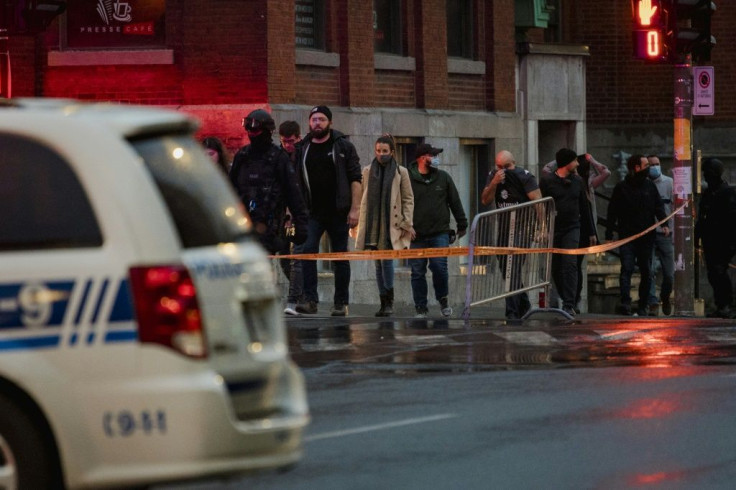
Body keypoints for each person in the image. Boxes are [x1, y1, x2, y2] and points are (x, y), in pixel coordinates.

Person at [295, 106, 362, 317]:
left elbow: (355, 179)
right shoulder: (302, 147)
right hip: (312, 212)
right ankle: (310, 300)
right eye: (314, 119)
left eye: (322, 119)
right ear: (309, 123)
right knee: (308, 252)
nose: (317, 123)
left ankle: (340, 303)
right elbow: (295, 181)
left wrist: (355, 209)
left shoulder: (343, 146)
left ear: (330, 123)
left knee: (340, 257)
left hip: (339, 212)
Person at [228, 109, 308, 256]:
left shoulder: (278, 157)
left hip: (268, 226)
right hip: (243, 225)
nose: (251, 132)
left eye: (255, 128)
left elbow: (293, 193)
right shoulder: (243, 156)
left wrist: (301, 223)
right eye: (249, 127)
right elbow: (229, 189)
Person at [355, 135, 415, 317]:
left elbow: (408, 198)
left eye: (385, 151)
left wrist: (407, 223)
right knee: (378, 264)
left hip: (392, 224)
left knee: (386, 262)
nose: (381, 154)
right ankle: (383, 302)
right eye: (378, 151)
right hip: (373, 223)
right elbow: (362, 198)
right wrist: (357, 223)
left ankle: (389, 301)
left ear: (392, 152)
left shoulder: (400, 172)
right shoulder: (367, 171)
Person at [544, 152, 610, 312]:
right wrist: (542, 228)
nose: (578, 164)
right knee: (556, 268)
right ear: (566, 162)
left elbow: (584, 207)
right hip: (554, 228)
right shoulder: (547, 181)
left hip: (573, 228)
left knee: (570, 265)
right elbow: (542, 206)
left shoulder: (578, 181)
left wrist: (592, 232)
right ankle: (565, 295)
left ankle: (569, 304)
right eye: (574, 160)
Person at [480, 150, 542, 319]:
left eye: (506, 167)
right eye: (498, 166)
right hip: (504, 227)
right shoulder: (494, 176)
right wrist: (494, 183)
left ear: (512, 164)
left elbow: (539, 202)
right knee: (504, 266)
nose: (502, 170)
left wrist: (542, 228)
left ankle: (512, 312)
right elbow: (485, 200)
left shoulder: (524, 176)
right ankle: (524, 303)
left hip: (523, 226)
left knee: (512, 268)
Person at [408, 143, 468, 318]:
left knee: (440, 268)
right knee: (417, 271)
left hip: (439, 232)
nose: (435, 158)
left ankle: (443, 299)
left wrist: (461, 224)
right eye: (431, 155)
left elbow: (454, 201)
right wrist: (405, 226)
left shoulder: (443, 177)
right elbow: (401, 204)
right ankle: (421, 307)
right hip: (416, 235)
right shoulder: (408, 179)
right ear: (421, 158)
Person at [605, 154, 669, 316]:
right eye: (646, 165)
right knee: (626, 268)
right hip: (627, 236)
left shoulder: (649, 187)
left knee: (647, 271)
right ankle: (625, 302)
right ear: (637, 168)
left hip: (646, 237)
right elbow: (612, 211)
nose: (649, 168)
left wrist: (665, 224)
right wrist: (609, 233)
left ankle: (643, 304)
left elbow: (658, 207)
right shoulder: (622, 187)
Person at [695, 158, 736, 318]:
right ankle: (721, 304)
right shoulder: (709, 193)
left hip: (724, 241)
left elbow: (732, 218)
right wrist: (697, 236)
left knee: (719, 271)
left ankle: (726, 304)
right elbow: (702, 218)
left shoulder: (727, 192)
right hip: (710, 240)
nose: (705, 176)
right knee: (713, 273)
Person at [277, 121, 306, 316]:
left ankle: (293, 300)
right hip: (281, 214)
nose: (288, 145)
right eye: (284, 142)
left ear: (298, 137)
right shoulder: (277, 156)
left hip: (300, 212)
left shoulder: (303, 154)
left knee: (297, 257)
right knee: (284, 258)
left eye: (291, 141)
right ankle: (302, 295)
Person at [646, 154, 675, 316]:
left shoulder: (669, 183)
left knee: (669, 272)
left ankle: (665, 296)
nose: (655, 167)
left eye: (656, 164)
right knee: (649, 270)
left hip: (666, 233)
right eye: (651, 165)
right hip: (649, 232)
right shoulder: (645, 185)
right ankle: (652, 301)